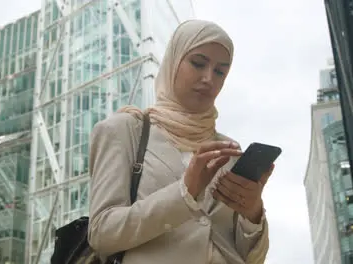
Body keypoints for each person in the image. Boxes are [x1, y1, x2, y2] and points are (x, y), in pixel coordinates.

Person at [87, 19, 273, 264]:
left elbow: (251, 258)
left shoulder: (228, 150)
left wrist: (252, 213)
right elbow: (102, 233)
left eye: (220, 71)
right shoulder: (124, 131)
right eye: (198, 63)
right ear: (173, 62)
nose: (208, 78)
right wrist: (184, 193)